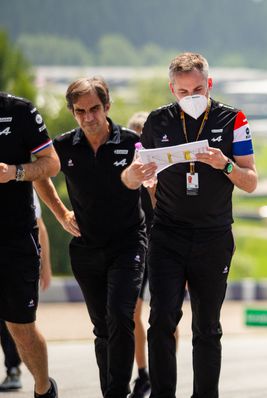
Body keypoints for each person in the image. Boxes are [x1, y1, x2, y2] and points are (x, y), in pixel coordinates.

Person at [122, 52, 257, 398]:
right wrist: (141, 178)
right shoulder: (157, 121)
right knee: (161, 320)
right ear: (172, 89)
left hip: (213, 235)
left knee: (207, 327)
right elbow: (137, 175)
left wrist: (225, 165)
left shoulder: (233, 119)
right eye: (183, 91)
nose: (191, 96)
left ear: (209, 84)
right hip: (168, 233)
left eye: (198, 88)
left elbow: (251, 181)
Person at [34, 77, 147, 398]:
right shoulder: (65, 145)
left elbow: (141, 178)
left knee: (121, 316)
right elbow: (40, 172)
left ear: (107, 106)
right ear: (73, 113)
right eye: (80, 111)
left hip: (128, 244)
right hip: (86, 249)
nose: (89, 117)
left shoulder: (131, 142)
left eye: (95, 108)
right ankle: (110, 390)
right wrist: (60, 213)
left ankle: (116, 393)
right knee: (102, 329)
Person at [0, 92, 60, 398]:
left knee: (21, 329)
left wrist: (14, 172)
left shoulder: (19, 111)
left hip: (14, 238)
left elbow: (51, 164)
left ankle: (43, 388)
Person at [0, 192, 53, 393]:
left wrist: (46, 266)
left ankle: (43, 387)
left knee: (19, 328)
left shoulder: (22, 186)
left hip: (15, 253)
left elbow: (40, 225)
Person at [125, 111, 153, 398]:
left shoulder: (164, 170)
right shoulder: (127, 170)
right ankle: (143, 373)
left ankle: (160, 371)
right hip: (136, 246)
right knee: (133, 313)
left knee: (164, 315)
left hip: (163, 247)